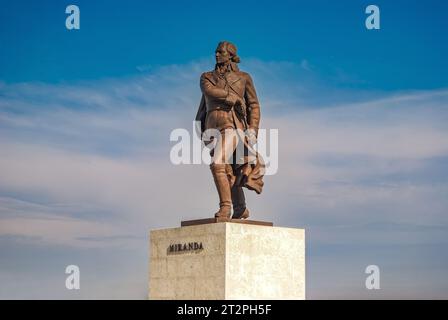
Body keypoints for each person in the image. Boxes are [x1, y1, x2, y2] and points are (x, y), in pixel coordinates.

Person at [195, 41, 265, 219]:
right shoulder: (207, 77)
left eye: (221, 52)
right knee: (228, 170)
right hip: (212, 129)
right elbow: (209, 91)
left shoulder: (244, 78)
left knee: (217, 163)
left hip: (232, 126)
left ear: (230, 55)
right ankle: (240, 208)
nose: (217, 55)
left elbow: (254, 105)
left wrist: (252, 129)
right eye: (216, 52)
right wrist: (233, 97)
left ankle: (225, 207)